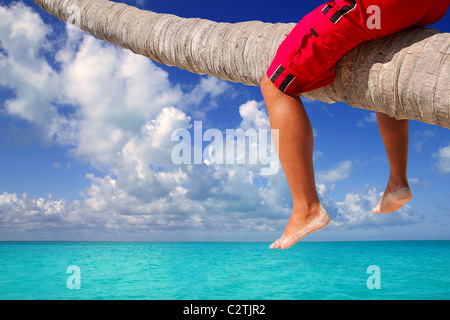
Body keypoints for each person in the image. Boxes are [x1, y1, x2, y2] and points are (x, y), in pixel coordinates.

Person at [260, 0, 450, 249]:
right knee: (383, 57)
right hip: (432, 8)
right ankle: (397, 181)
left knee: (275, 85)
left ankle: (306, 208)